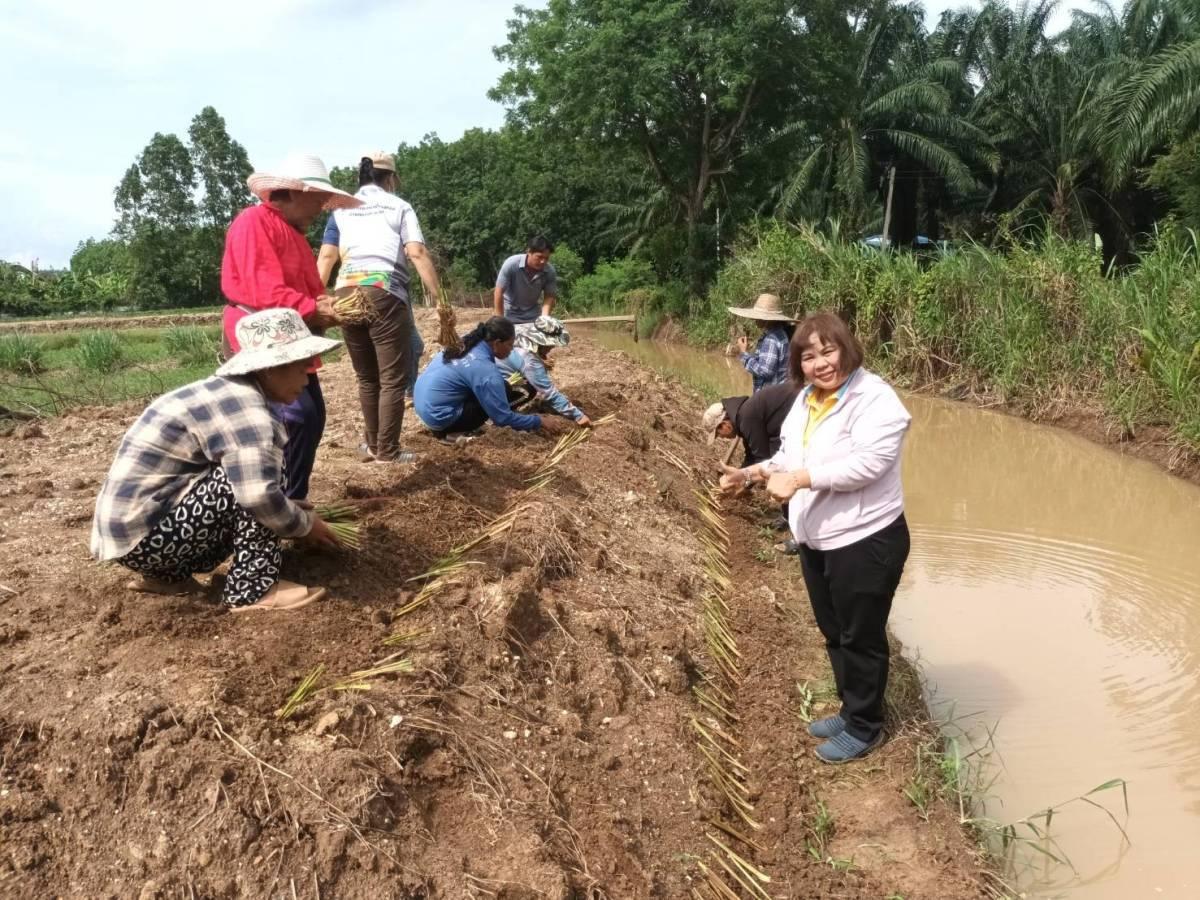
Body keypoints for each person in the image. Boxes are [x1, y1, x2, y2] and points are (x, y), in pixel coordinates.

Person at [719, 312, 911, 764]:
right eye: (809, 356)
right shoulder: (808, 399)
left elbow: (870, 463)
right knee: (834, 630)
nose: (821, 363)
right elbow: (788, 455)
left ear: (847, 348)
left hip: (865, 539)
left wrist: (802, 479)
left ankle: (866, 726)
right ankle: (851, 709)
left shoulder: (876, 399)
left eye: (829, 351)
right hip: (819, 539)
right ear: (798, 365)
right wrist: (750, 473)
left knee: (861, 635)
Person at [91, 309, 346, 612]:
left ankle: (167, 579)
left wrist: (290, 512)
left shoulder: (227, 392)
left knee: (257, 478)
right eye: (302, 368)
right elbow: (257, 496)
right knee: (256, 487)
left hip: (134, 536)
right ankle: (252, 591)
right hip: (147, 537)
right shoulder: (250, 414)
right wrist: (303, 525)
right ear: (270, 368)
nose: (307, 379)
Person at [221, 154, 361, 499]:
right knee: (294, 417)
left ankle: (291, 500)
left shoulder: (295, 235)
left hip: (292, 336)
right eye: (318, 199)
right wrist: (314, 308)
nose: (322, 208)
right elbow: (264, 290)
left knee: (311, 418)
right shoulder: (254, 222)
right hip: (260, 338)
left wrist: (325, 303)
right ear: (295, 192)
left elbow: (310, 286)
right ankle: (269, 503)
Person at [317, 151, 443, 463]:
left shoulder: (340, 209)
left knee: (366, 377)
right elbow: (416, 252)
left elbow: (327, 257)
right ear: (389, 178)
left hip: (346, 292)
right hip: (384, 291)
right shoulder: (399, 206)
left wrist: (316, 300)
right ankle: (388, 451)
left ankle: (372, 444)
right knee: (391, 378)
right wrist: (441, 301)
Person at [414, 317, 553, 439]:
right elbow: (502, 418)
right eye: (510, 345)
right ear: (497, 343)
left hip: (424, 407)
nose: (512, 350)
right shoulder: (486, 371)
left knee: (500, 387)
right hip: (441, 420)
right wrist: (538, 421)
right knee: (493, 400)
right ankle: (455, 433)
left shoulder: (466, 343)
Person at [496, 316, 592, 427]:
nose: (552, 347)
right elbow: (547, 391)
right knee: (528, 390)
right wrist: (578, 415)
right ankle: (499, 412)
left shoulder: (518, 331)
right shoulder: (529, 358)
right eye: (551, 345)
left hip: (492, 374)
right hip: (493, 386)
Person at [702, 381, 799, 468]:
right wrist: (739, 477)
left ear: (724, 424)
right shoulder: (743, 417)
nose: (722, 437)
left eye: (719, 434)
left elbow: (763, 459)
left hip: (802, 404)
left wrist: (745, 482)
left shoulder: (746, 418)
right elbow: (751, 455)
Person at [728, 293, 794, 392]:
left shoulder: (771, 339)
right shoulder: (781, 334)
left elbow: (765, 371)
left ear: (767, 319)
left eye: (758, 317)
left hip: (770, 396)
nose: (754, 319)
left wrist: (744, 353)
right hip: (779, 393)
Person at [494, 235, 558, 325]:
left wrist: (544, 318)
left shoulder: (549, 271)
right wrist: (500, 321)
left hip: (533, 315)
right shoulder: (511, 264)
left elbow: (549, 296)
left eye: (546, 258)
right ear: (529, 252)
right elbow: (498, 292)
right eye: (539, 257)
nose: (543, 261)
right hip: (509, 313)